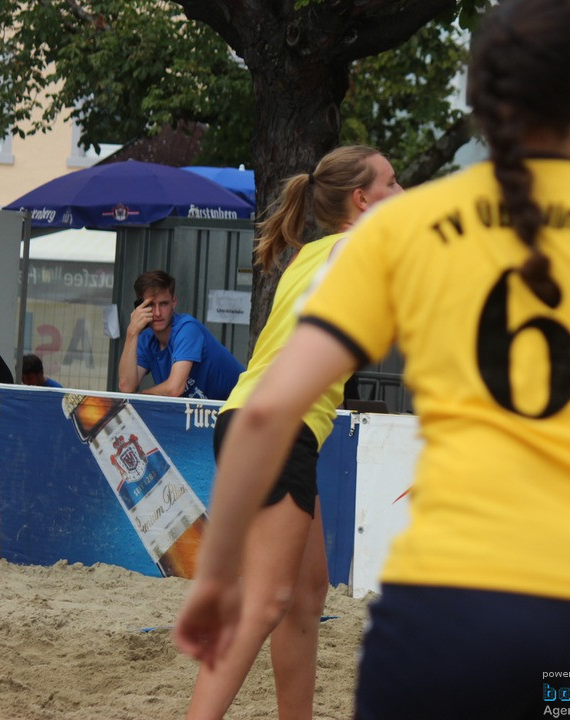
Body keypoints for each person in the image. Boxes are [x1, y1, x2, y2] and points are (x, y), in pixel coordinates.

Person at [174, 1, 570, 717]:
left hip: (436, 613)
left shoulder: (401, 231)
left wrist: (214, 576)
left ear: (479, 103)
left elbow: (266, 408)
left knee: (305, 601)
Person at [185, 145, 402, 720]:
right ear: (363, 200)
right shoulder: (366, 245)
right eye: (393, 183)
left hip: (259, 423)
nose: (402, 195)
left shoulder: (311, 253)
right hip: (275, 428)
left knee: (305, 597)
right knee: (265, 602)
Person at [117, 270, 244, 400]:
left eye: (163, 304)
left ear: (174, 302)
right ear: (139, 307)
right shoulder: (146, 339)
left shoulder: (187, 329)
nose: (158, 312)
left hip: (245, 407)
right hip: (208, 414)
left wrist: (141, 397)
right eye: (150, 305)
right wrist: (131, 332)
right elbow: (126, 387)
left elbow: (174, 389)